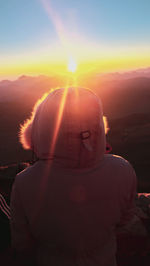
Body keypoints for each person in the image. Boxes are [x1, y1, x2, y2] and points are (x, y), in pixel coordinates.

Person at [10, 87, 137, 266]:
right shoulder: (123, 169)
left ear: (40, 129)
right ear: (99, 126)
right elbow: (125, 219)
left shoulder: (24, 182)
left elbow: (21, 242)